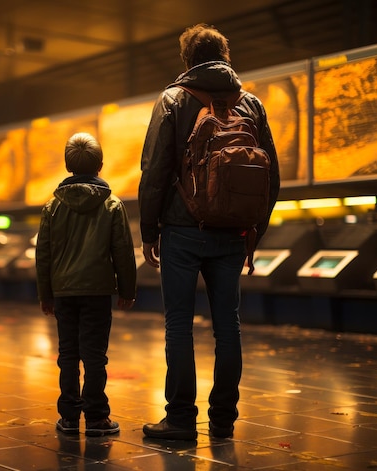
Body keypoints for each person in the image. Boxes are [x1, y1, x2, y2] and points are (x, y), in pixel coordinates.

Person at [138, 24, 280, 440]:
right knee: (228, 326)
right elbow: (271, 179)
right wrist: (255, 232)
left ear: (187, 60)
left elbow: (155, 170)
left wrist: (150, 230)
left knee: (179, 325)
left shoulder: (174, 100)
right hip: (234, 234)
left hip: (183, 231)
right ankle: (223, 420)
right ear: (226, 57)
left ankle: (181, 419)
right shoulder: (251, 104)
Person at [36, 132, 137, 437]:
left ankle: (68, 418)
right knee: (95, 355)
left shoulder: (53, 205)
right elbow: (122, 250)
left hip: (64, 292)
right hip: (97, 291)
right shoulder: (112, 205)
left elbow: (44, 254)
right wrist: (127, 290)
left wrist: (46, 294)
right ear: (100, 165)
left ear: (68, 165)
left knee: (68, 354)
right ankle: (96, 418)